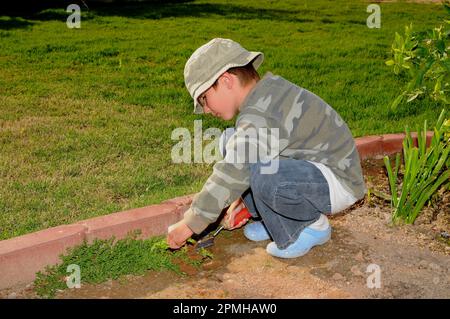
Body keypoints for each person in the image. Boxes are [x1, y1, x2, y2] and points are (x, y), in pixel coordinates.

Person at [167, 38, 367, 258]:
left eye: (204, 98)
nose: (205, 110)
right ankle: (273, 220)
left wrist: (189, 223)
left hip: (337, 182)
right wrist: (238, 198)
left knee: (259, 168)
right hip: (309, 173)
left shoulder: (263, 111)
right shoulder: (263, 98)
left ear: (226, 80)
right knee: (231, 141)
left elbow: (235, 169)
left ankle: (309, 226)